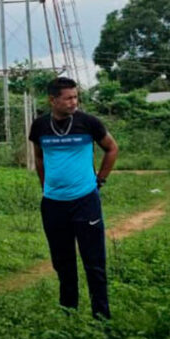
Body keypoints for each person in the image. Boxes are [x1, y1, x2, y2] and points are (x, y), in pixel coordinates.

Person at [29, 77, 118, 320]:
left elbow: (111, 148)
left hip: (85, 201)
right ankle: (69, 313)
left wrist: (100, 180)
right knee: (63, 262)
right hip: (53, 204)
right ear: (53, 100)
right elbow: (38, 156)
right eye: (68, 98)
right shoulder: (39, 126)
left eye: (75, 97)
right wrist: (45, 183)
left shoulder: (88, 123)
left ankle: (101, 316)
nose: (73, 102)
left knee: (94, 262)